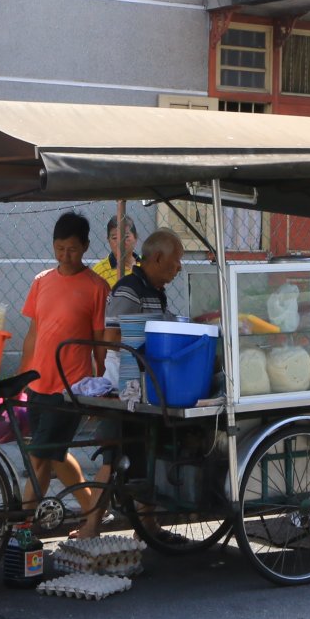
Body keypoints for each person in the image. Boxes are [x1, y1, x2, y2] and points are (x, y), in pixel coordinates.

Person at [76, 228, 186, 539]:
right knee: (115, 453)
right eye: (177, 261)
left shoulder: (155, 290)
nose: (179, 267)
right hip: (124, 386)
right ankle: (91, 527)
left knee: (145, 451)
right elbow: (112, 339)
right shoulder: (129, 290)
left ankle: (147, 525)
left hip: (146, 385)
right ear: (159, 258)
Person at [19, 211, 111, 523]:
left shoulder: (97, 287)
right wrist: (22, 378)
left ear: (85, 246)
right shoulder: (41, 282)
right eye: (59, 248)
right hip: (37, 385)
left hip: (69, 388)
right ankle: (94, 511)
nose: (65, 255)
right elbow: (34, 333)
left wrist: (101, 389)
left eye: (71, 249)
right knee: (54, 456)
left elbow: (101, 344)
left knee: (39, 457)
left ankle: (20, 525)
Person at [91, 214, 140, 287]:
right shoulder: (99, 272)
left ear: (136, 238)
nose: (120, 242)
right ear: (108, 240)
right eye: (114, 238)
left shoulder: (146, 266)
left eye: (126, 236)